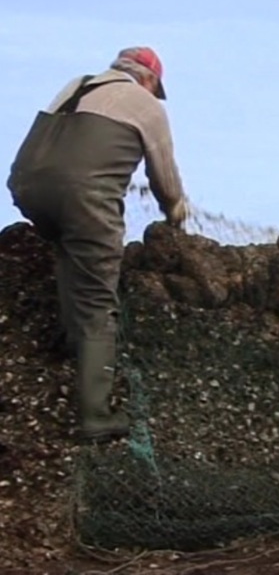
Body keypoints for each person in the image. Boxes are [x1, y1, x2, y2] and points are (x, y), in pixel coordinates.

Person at [6, 46, 189, 443]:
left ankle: (75, 343)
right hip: (84, 198)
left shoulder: (76, 86)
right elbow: (165, 178)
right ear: (151, 80)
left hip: (27, 186)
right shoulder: (146, 104)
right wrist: (176, 212)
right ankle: (96, 415)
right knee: (97, 298)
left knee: (71, 252)